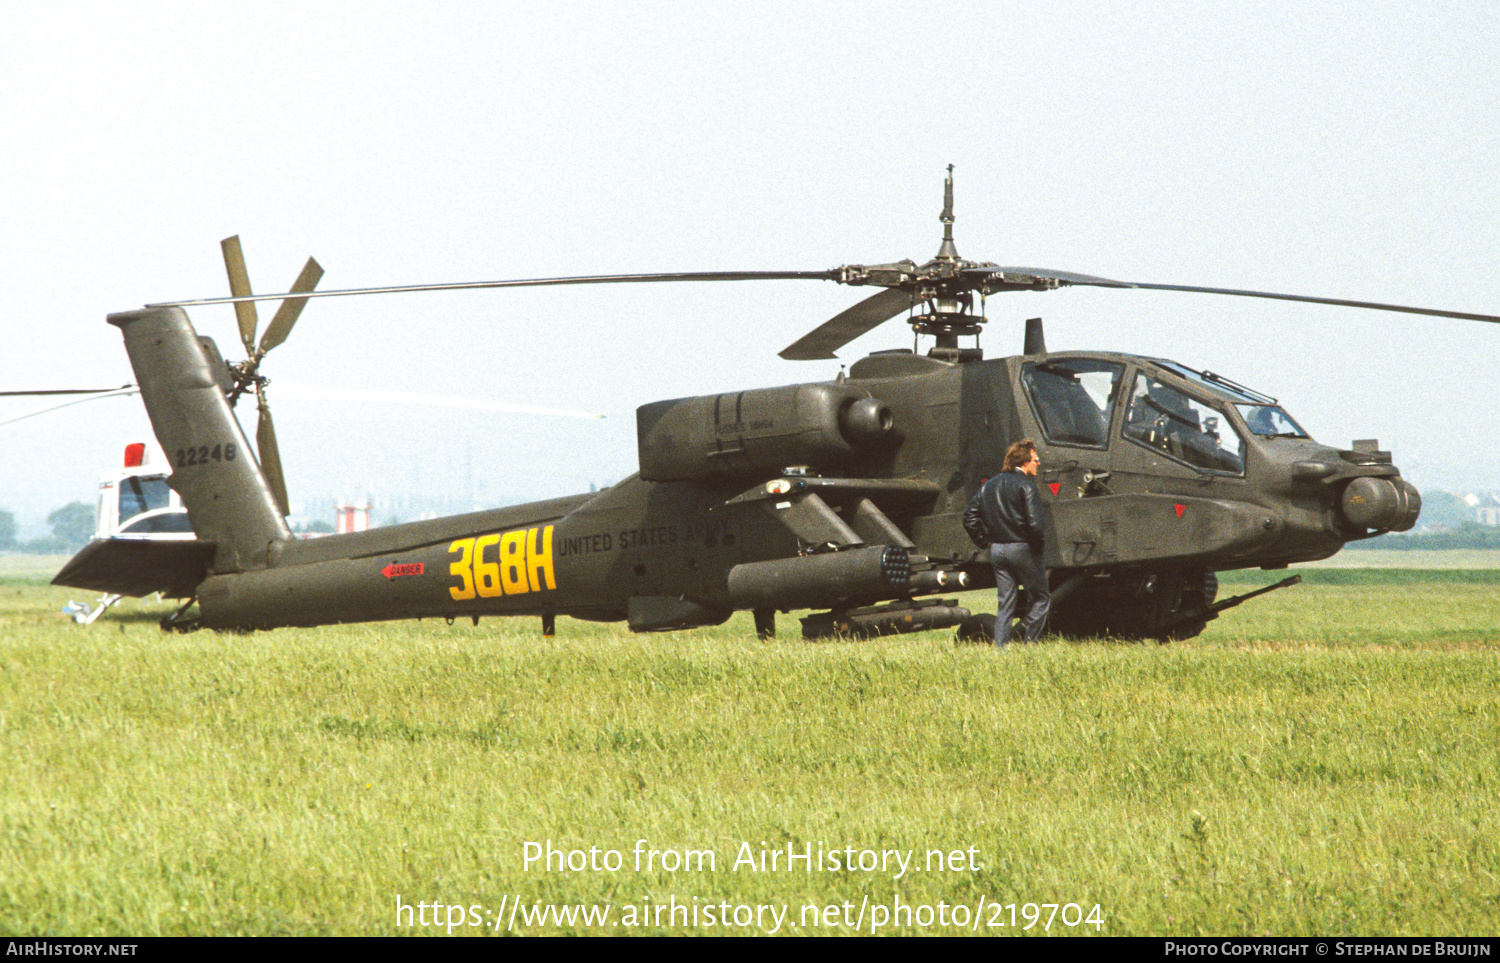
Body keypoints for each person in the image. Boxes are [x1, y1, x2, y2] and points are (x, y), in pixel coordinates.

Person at [962, 439, 1051, 646]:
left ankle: (1000, 649)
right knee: (1041, 598)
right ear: (1024, 461)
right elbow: (1036, 525)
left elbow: (969, 517)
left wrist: (984, 541)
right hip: (1022, 548)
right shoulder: (1027, 485)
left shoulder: (988, 486)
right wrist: (1037, 549)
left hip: (997, 551)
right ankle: (1028, 645)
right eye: (1036, 459)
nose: (1038, 463)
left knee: (1005, 604)